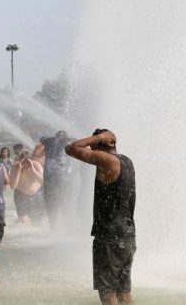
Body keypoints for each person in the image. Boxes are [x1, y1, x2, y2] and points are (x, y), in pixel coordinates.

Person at [65, 129, 136, 305]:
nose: (90, 148)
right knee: (124, 293)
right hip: (127, 235)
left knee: (108, 293)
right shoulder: (126, 161)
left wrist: (97, 138)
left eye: (93, 145)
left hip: (109, 236)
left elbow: (71, 148)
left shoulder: (107, 161)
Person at [42, 130, 74, 230]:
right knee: (51, 204)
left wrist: (67, 139)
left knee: (64, 203)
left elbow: (75, 140)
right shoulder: (48, 142)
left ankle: (66, 228)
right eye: (59, 135)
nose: (61, 138)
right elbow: (42, 139)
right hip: (50, 178)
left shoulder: (68, 145)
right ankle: (54, 229)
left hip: (63, 179)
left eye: (63, 136)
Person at [9, 150, 45, 224]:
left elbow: (43, 182)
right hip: (20, 195)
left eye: (27, 162)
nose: (25, 165)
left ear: (30, 160)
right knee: (24, 221)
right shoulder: (15, 167)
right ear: (20, 161)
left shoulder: (36, 165)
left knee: (38, 221)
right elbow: (13, 186)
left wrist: (32, 169)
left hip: (36, 195)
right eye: (23, 162)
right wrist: (19, 170)